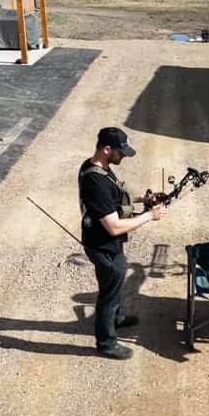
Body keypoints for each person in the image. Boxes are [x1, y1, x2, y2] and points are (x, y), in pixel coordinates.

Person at [78, 127, 166, 360]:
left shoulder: (97, 167)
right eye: (121, 151)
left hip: (109, 244)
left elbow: (113, 196)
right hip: (102, 245)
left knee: (115, 284)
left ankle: (116, 319)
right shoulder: (95, 181)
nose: (124, 156)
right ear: (107, 149)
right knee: (109, 291)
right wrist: (149, 216)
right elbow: (114, 226)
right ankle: (106, 342)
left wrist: (143, 199)